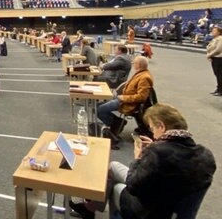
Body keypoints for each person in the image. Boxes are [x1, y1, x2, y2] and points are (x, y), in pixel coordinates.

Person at [70, 104, 216, 219]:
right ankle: (91, 208)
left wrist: (139, 157)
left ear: (161, 126)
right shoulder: (205, 155)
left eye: (153, 128)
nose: (152, 133)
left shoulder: (158, 153)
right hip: (177, 210)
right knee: (114, 168)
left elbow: (133, 184)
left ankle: (93, 209)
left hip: (150, 212)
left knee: (116, 185)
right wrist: (156, 144)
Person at [97, 56, 152, 145]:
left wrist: (123, 98)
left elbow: (142, 97)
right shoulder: (141, 74)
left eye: (134, 63)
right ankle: (116, 122)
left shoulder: (144, 77)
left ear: (138, 65)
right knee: (98, 106)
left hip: (127, 103)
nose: (133, 65)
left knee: (100, 109)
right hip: (123, 99)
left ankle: (116, 122)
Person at [206, 26, 222, 96]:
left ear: (219, 32)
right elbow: (208, 47)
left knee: (220, 75)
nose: (212, 32)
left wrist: (209, 55)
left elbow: (218, 49)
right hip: (214, 58)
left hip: (219, 58)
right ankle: (218, 88)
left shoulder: (220, 39)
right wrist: (209, 54)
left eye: (214, 31)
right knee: (217, 74)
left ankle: (221, 90)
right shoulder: (214, 39)